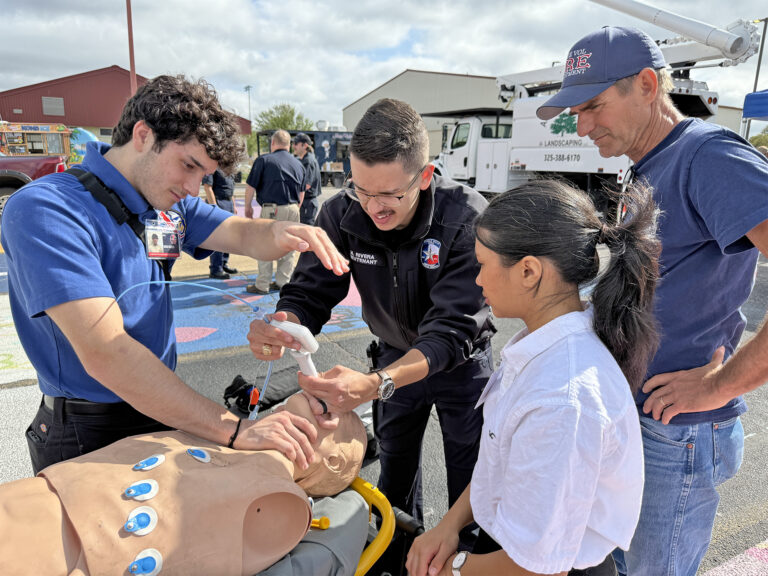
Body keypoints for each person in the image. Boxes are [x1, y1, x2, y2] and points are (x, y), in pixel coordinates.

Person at [0, 74, 349, 476]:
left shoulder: (165, 204)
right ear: (143, 135)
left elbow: (236, 231)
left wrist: (282, 231)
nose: (192, 187)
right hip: (89, 428)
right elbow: (108, 353)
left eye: (204, 175)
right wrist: (235, 430)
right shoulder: (48, 209)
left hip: (162, 404)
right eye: (188, 165)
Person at [537, 26, 768, 575]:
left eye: (593, 106)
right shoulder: (649, 166)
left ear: (646, 84)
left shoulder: (707, 156)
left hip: (678, 428)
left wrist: (721, 384)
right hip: (635, 413)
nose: (582, 125)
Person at [247, 98, 496, 547]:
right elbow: (311, 289)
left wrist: (377, 382)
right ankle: (397, 554)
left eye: (389, 195)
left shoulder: (466, 218)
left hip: (461, 366)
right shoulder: (342, 211)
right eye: (361, 189)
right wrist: (286, 322)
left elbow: (452, 330)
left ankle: (467, 559)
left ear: (424, 175)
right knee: (394, 474)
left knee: (471, 481)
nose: (373, 208)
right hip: (392, 354)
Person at [406, 180, 659, 576]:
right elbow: (501, 464)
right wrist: (450, 524)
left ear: (528, 271)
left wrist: (451, 567)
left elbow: (538, 567)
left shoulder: (561, 400)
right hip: (509, 548)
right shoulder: (547, 347)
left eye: (483, 264)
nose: (478, 280)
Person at [0, 392, 367, 576]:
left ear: (333, 460)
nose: (320, 395)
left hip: (60, 551)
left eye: (332, 412)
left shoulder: (281, 503)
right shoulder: (228, 433)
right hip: (43, 494)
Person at [245, 130, 306, 294]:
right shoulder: (298, 163)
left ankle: (262, 284)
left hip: (272, 209)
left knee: (264, 244)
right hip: (293, 208)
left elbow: (251, 186)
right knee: (289, 247)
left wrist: (247, 207)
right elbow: (302, 191)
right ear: (289, 146)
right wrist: (294, 208)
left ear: (273, 143)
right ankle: (282, 282)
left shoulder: (264, 160)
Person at [203, 167, 239, 279]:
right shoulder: (212, 167)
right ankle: (215, 269)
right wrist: (214, 207)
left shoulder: (229, 167)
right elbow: (207, 187)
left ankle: (223, 263)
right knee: (218, 237)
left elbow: (230, 190)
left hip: (228, 202)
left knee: (227, 237)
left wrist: (233, 205)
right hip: (218, 202)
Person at [293, 132, 322, 225]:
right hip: (306, 202)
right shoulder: (306, 159)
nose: (293, 146)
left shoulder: (308, 161)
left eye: (296, 144)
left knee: (306, 229)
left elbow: (307, 185)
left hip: (307, 203)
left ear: (304, 145)